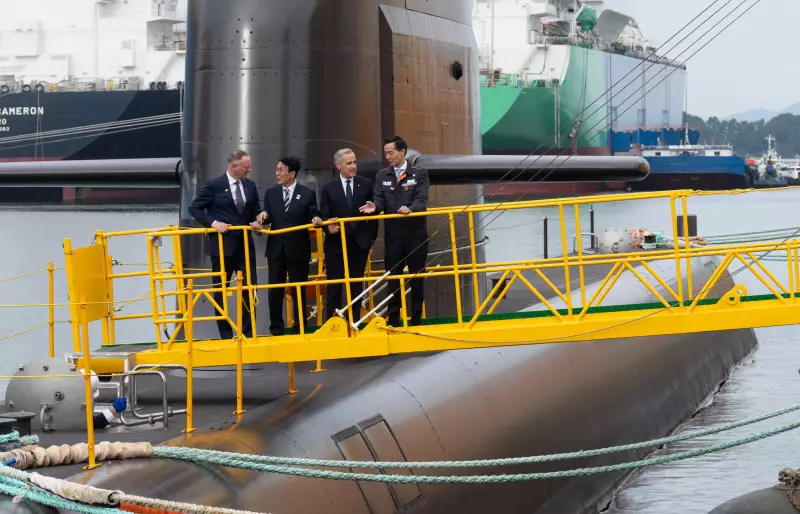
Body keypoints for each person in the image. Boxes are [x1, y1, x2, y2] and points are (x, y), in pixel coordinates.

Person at [187, 150, 263, 340]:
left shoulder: (250, 185)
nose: (249, 170)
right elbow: (194, 208)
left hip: (245, 247)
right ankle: (226, 335)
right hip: (221, 248)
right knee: (221, 292)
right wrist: (214, 223)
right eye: (246, 167)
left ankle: (247, 333)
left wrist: (259, 220)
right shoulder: (213, 185)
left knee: (250, 288)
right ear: (234, 166)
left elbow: (256, 210)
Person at [359, 136, 430, 326]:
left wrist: (410, 208)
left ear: (402, 152)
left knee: (416, 275)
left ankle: (416, 317)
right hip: (393, 235)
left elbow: (421, 200)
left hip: (416, 233)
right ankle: (393, 318)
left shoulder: (419, 173)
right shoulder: (382, 175)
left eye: (391, 153)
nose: (388, 157)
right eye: (386, 153)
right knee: (393, 276)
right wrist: (375, 206)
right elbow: (380, 199)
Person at [257, 156, 322, 335]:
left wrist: (316, 218)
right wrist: (262, 217)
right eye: (276, 170)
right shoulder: (271, 193)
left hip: (298, 249)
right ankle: (276, 329)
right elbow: (268, 215)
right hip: (276, 249)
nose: (277, 174)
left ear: (292, 173)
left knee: (298, 289)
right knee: (275, 290)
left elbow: (313, 213)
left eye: (281, 170)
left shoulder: (307, 193)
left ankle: (299, 327)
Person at [319, 149, 378, 321]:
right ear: (338, 166)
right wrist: (328, 228)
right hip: (336, 245)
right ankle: (333, 323)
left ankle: (354, 321)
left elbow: (373, 214)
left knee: (356, 285)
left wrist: (370, 239)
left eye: (354, 162)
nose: (353, 166)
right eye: (349, 163)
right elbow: (324, 215)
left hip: (359, 244)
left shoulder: (366, 184)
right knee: (334, 285)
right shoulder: (328, 188)